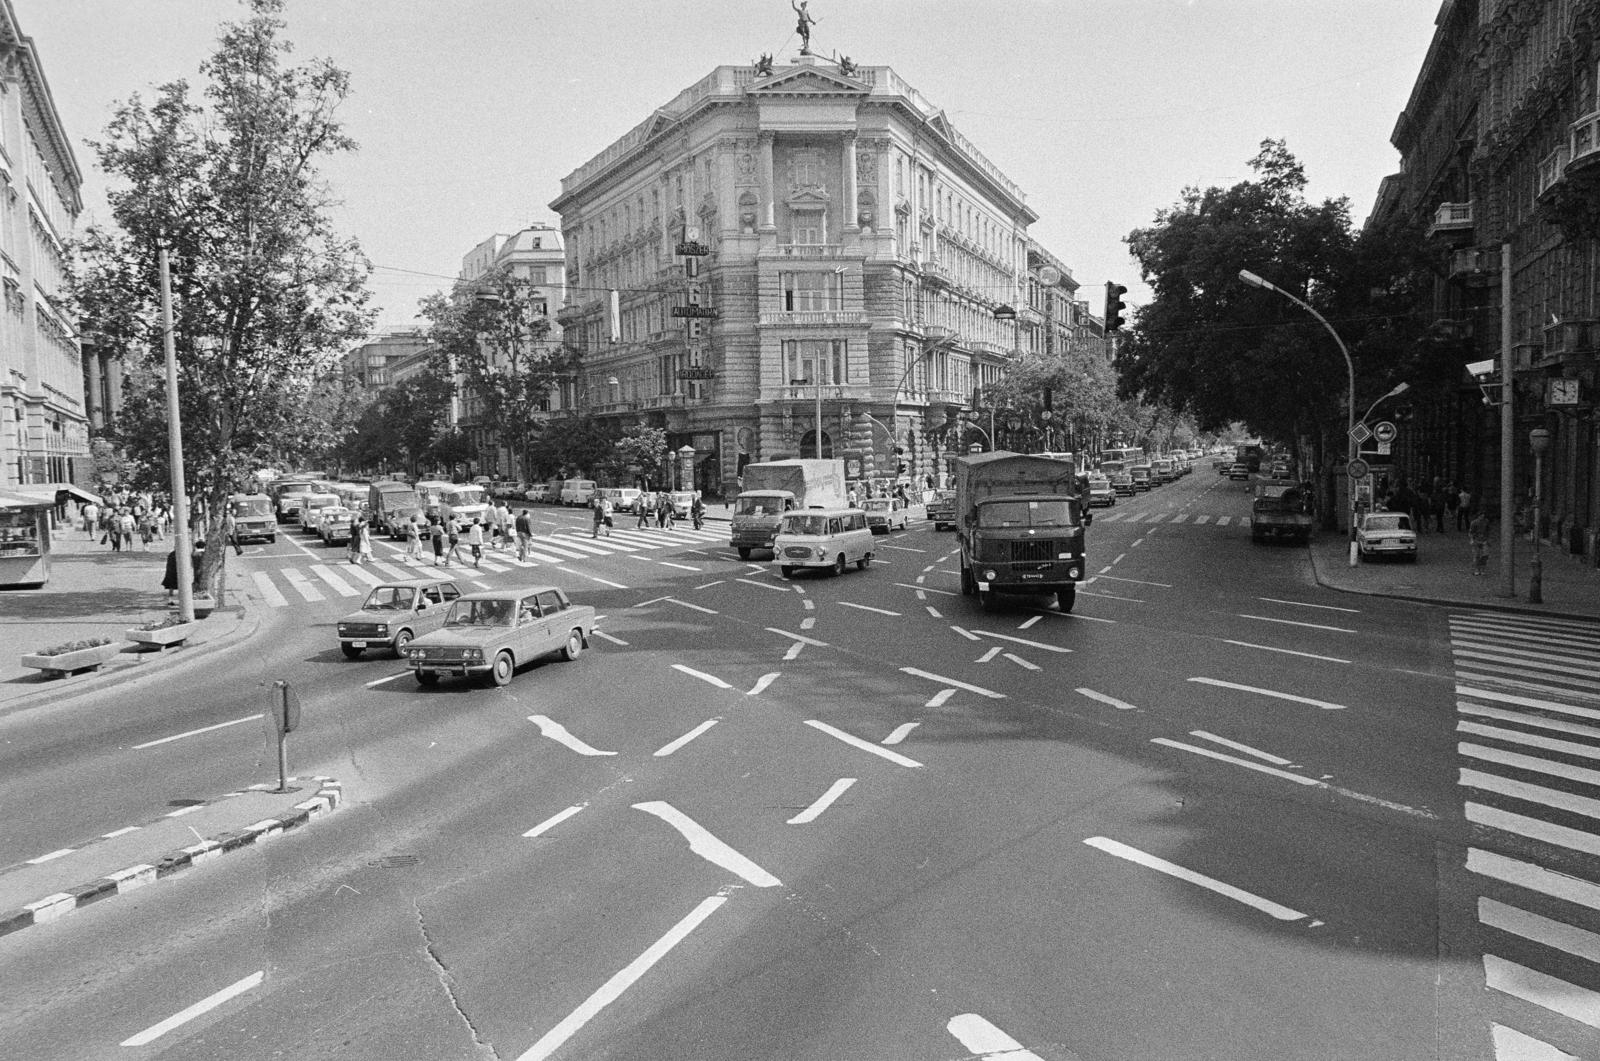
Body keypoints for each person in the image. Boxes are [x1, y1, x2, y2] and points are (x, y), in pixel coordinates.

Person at [1469, 510, 1491, 576]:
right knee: (1476, 556)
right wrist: (1472, 540)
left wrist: (1488, 539)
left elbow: (1488, 531)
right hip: (1476, 540)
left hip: (1484, 540)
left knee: (1485, 556)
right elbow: (1471, 532)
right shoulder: (1474, 523)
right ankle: (1476, 570)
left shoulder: (1486, 521)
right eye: (1481, 515)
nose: (1482, 517)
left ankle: (1482, 569)